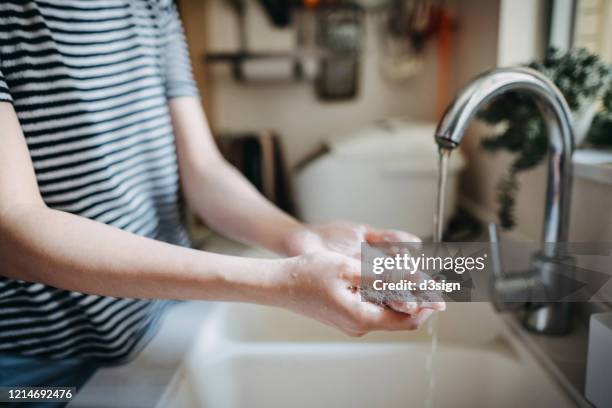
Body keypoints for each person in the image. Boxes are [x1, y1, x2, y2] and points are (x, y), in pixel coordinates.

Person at [0, 0, 442, 399]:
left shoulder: (150, 5)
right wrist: (281, 283)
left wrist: (298, 235)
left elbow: (205, 171)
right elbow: (12, 229)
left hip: (156, 324)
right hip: (36, 364)